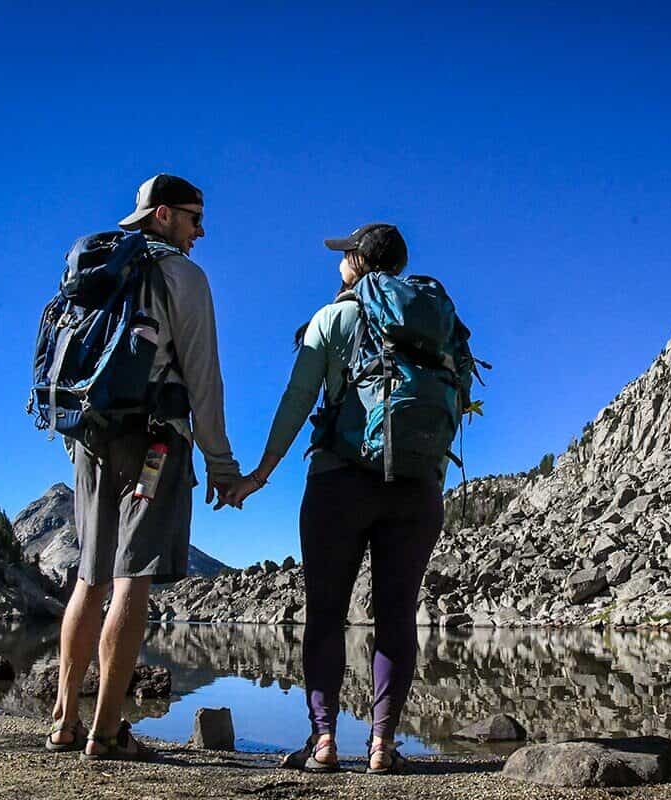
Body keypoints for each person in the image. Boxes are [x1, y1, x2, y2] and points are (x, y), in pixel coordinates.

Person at [230, 223, 470, 774]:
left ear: (358, 262)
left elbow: (297, 400)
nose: (339, 264)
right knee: (396, 618)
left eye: (345, 256)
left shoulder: (334, 318)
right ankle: (383, 745)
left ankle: (324, 742)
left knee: (326, 615)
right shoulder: (438, 326)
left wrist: (260, 474)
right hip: (416, 489)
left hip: (340, 482)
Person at [45, 174, 244, 761]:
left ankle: (63, 721)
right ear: (161, 214)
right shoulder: (183, 275)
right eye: (192, 217)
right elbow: (204, 375)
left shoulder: (94, 266)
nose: (200, 230)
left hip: (89, 436)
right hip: (155, 440)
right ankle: (107, 731)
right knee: (132, 579)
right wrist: (221, 463)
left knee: (89, 577)